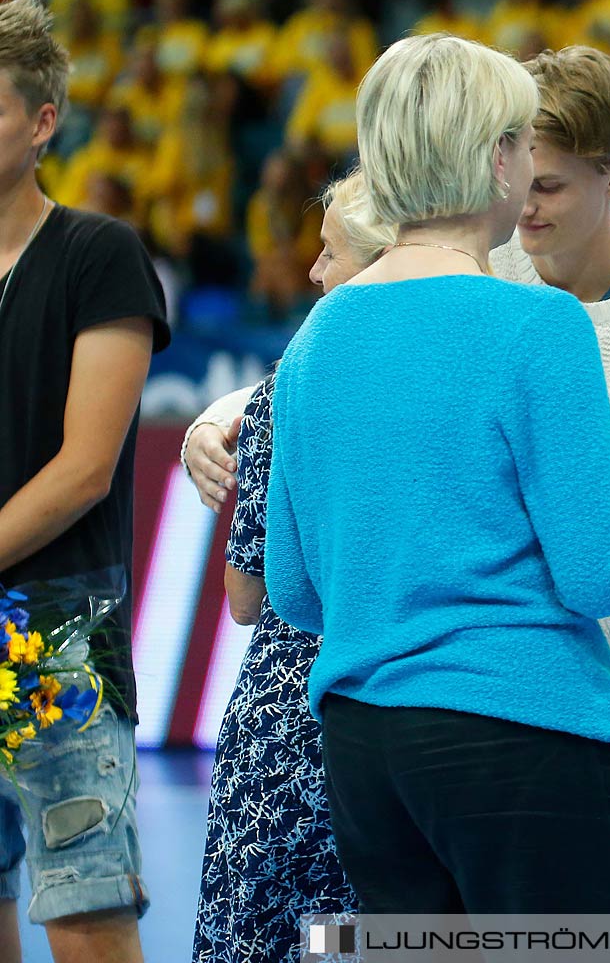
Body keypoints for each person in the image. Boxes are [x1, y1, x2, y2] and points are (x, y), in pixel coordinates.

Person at [259, 33, 610, 915]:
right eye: (524, 144)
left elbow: (293, 590)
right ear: (494, 159)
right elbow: (605, 570)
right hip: (527, 742)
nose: (530, 171)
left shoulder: (314, 341)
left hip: (365, 751)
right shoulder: (535, 325)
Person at [0, 0, 168, 960]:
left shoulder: (99, 255)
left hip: (62, 634)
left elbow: (84, 469)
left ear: (42, 123)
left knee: (86, 906)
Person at [192, 170, 392, 963]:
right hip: (406, 718)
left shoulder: (290, 387)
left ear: (375, 262)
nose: (313, 272)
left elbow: (247, 596)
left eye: (329, 253)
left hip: (289, 722)